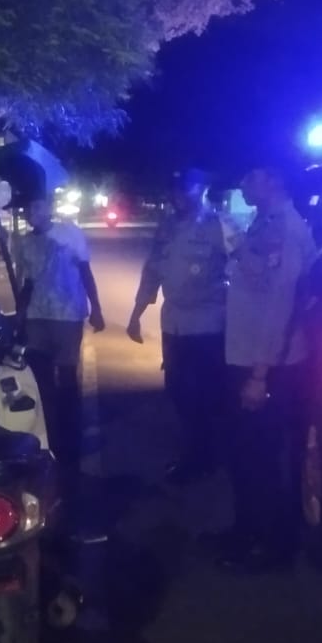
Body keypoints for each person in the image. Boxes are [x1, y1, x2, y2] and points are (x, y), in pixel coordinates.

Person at [210, 161, 318, 573]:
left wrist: (259, 374)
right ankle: (246, 531)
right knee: (244, 454)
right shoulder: (262, 223)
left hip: (269, 363)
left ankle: (274, 547)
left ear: (274, 180)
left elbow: (281, 305)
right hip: (248, 355)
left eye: (250, 177)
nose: (242, 184)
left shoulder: (287, 229)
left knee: (265, 459)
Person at [127, 169, 236, 485]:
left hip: (208, 326)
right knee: (178, 392)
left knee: (205, 396)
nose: (177, 195)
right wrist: (136, 314)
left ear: (201, 189)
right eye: (174, 189)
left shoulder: (221, 225)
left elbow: (245, 268)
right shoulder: (168, 226)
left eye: (184, 189)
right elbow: (152, 271)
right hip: (174, 325)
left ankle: (203, 458)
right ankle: (197, 452)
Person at [13, 192, 105, 473]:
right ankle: (46, 430)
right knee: (39, 377)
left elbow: (86, 272)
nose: (31, 212)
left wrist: (96, 308)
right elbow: (28, 282)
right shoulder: (24, 242)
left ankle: (70, 431)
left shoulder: (70, 234)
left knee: (66, 375)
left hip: (67, 315)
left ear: (48, 207)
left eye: (36, 205)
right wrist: (20, 313)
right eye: (27, 208)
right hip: (37, 316)